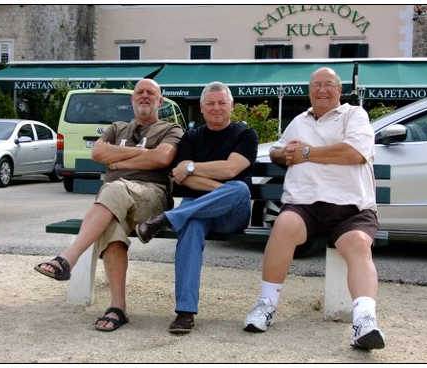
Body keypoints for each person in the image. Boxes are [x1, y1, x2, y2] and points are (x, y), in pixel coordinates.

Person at [244, 67, 385, 350]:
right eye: (316, 85)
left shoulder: (354, 115)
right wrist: (279, 154)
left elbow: (355, 153)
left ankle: (364, 321)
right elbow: (280, 149)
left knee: (358, 244)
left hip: (351, 209)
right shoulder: (299, 121)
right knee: (283, 227)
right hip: (304, 206)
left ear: (339, 90)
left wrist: (307, 153)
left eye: (329, 85)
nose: (322, 90)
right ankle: (266, 305)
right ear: (309, 91)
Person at [34, 79, 183, 332]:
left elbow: (162, 158)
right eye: (140, 92)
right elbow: (98, 154)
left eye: (151, 93)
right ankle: (118, 307)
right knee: (111, 225)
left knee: (112, 189)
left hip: (152, 197)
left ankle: (67, 258)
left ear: (160, 101)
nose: (145, 96)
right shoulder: (117, 127)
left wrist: (118, 162)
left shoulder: (171, 129)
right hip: (115, 201)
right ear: (132, 100)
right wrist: (140, 156)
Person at [136, 81, 258, 335]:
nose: (216, 108)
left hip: (232, 213)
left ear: (231, 106)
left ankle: (166, 219)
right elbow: (182, 178)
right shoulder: (191, 137)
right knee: (192, 225)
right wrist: (222, 190)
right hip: (196, 210)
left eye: (221, 103)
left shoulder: (245, 134)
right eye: (210, 104)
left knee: (240, 189)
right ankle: (185, 313)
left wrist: (193, 167)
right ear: (202, 108)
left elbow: (231, 169)